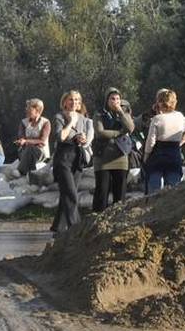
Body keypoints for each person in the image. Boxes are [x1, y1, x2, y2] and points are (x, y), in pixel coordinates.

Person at [50, 90, 93, 233]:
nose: (74, 102)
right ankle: (77, 228)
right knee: (71, 194)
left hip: (77, 157)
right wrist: (71, 123)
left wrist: (83, 139)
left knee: (67, 194)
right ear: (64, 102)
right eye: (71, 99)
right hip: (63, 158)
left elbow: (86, 140)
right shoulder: (59, 117)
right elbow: (60, 137)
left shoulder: (84, 119)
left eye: (77, 100)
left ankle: (58, 227)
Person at [143, 88, 185, 193]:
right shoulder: (180, 116)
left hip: (158, 154)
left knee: (154, 187)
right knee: (173, 189)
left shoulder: (157, 119)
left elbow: (151, 141)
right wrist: (182, 141)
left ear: (160, 102)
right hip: (174, 153)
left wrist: (146, 155)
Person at [92, 87, 135, 212]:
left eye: (117, 99)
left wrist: (120, 112)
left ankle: (118, 218)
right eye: (112, 99)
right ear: (107, 100)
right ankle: (97, 219)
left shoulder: (124, 113)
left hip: (120, 156)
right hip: (102, 156)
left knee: (120, 191)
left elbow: (130, 128)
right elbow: (100, 132)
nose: (115, 101)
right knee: (102, 190)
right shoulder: (99, 113)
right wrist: (120, 132)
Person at [15, 98, 51, 177]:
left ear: (37, 110)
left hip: (41, 153)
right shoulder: (23, 122)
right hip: (24, 152)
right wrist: (22, 141)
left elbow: (42, 141)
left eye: (29, 108)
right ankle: (31, 175)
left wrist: (27, 141)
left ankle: (20, 171)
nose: (26, 109)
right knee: (29, 149)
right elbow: (21, 137)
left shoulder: (45, 123)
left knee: (31, 148)